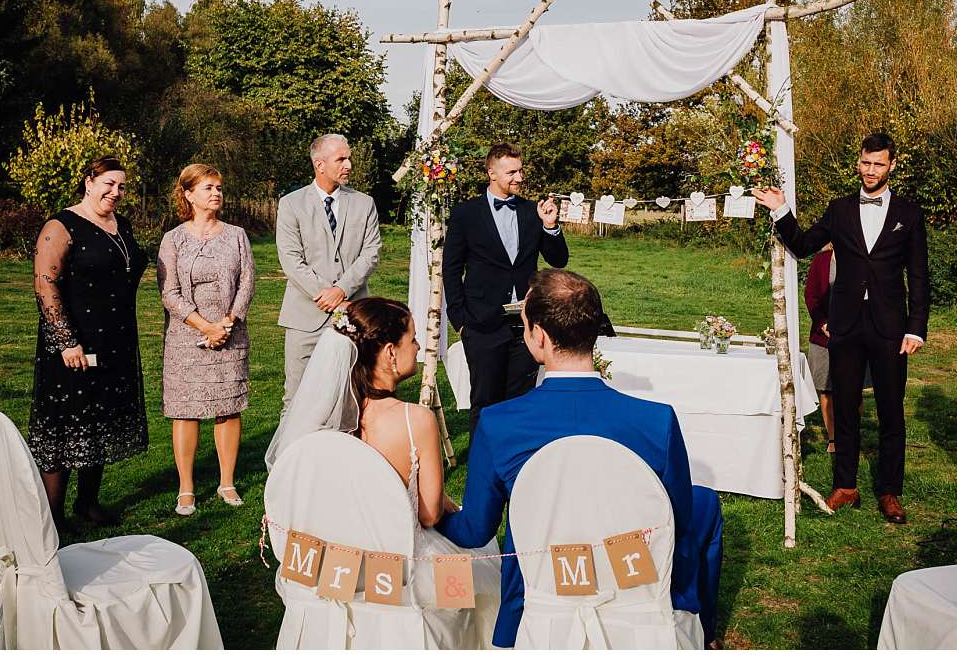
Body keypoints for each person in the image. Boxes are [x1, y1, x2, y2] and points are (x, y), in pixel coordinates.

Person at [439, 269, 724, 650]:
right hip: (633, 587)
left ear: (538, 334)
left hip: (540, 598)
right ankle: (695, 621)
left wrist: (436, 511)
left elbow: (474, 532)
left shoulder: (498, 424)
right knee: (704, 504)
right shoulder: (658, 421)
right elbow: (678, 520)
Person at [264, 296, 500, 610]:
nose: (417, 347)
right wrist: (443, 500)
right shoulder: (415, 420)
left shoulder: (324, 423)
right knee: (483, 580)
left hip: (343, 563)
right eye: (412, 339)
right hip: (401, 564)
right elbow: (429, 514)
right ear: (390, 352)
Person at [753, 131, 929, 524]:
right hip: (845, 325)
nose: (870, 170)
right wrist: (781, 210)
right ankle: (845, 486)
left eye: (878, 164)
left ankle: (889, 491)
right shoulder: (839, 209)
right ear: (859, 162)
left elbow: (919, 276)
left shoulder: (909, 213)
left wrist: (915, 328)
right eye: (865, 162)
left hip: (890, 327)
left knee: (890, 412)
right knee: (845, 406)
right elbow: (802, 245)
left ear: (892, 165)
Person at [28, 156, 148, 529]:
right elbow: (45, 283)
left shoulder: (120, 224)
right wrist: (66, 340)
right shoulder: (61, 225)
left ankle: (88, 504)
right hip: (73, 343)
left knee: (100, 420)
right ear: (89, 182)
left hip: (116, 339)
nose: (116, 192)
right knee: (66, 425)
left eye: (122, 186)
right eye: (108, 184)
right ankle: (54, 514)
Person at [441, 142, 568, 440]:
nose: (519, 178)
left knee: (521, 401)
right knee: (485, 401)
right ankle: (484, 471)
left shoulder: (531, 211)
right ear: (491, 173)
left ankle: (517, 466)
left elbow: (558, 260)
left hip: (525, 323)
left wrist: (550, 225)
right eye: (512, 172)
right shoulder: (466, 214)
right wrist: (460, 319)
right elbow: (451, 268)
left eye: (520, 170)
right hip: (481, 324)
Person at [157, 163, 256, 516]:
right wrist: (204, 326)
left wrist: (226, 323)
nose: (216, 193)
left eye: (218, 187)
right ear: (188, 194)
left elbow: (247, 282)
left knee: (228, 408)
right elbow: (168, 292)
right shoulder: (173, 239)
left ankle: (226, 482)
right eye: (208, 188)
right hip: (186, 337)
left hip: (230, 334)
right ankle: (186, 488)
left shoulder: (237, 235)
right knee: (185, 411)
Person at [275, 133, 381, 415]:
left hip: (353, 313)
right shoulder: (291, 204)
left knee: (352, 393)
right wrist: (326, 294)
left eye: (349, 158)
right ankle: (290, 459)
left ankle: (346, 455)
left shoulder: (364, 203)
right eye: (341, 159)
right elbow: (290, 259)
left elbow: (371, 252)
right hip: (304, 316)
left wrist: (343, 290)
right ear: (319, 165)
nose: (348, 165)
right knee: (296, 398)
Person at [804, 246, 836, 455]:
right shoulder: (822, 259)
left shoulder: (860, 256)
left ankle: (850, 433)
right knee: (826, 388)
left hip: (855, 335)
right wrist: (823, 324)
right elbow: (811, 295)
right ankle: (833, 438)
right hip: (823, 335)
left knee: (853, 392)